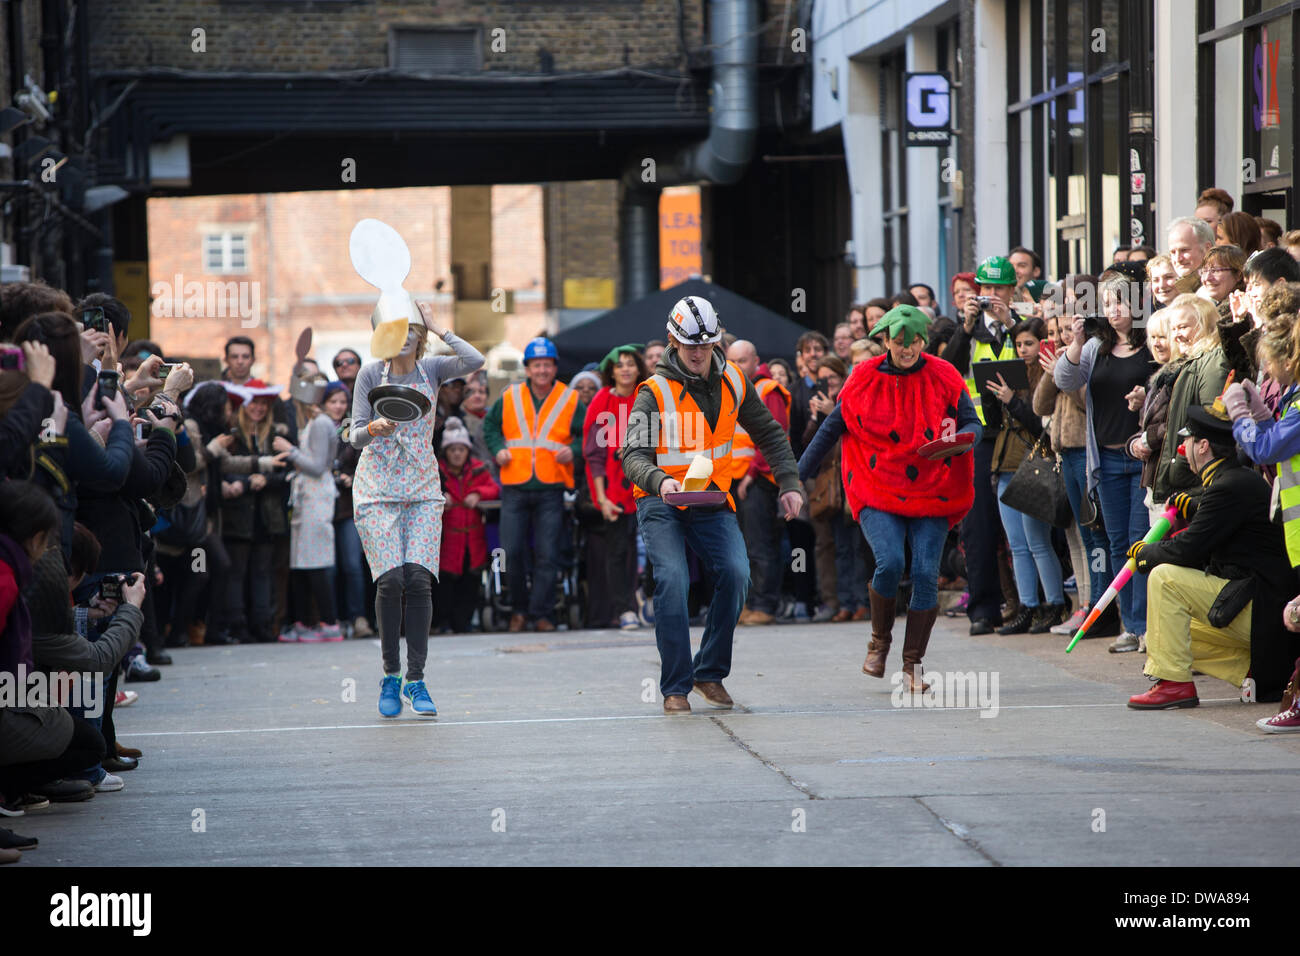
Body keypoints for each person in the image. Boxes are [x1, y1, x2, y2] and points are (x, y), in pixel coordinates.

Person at [623, 295, 804, 714]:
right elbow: (631, 455)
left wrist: (789, 482)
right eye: (691, 346)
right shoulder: (654, 392)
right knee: (673, 580)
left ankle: (709, 672)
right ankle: (675, 687)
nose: (700, 353)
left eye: (707, 344)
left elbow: (771, 435)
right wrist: (661, 480)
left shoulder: (736, 382)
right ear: (673, 340)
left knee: (738, 574)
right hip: (661, 501)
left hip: (710, 498)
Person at [800, 306, 981, 689]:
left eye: (915, 341)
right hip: (877, 485)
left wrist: (963, 441)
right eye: (900, 342)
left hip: (933, 487)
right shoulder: (863, 377)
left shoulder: (944, 374)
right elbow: (833, 427)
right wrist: (794, 477)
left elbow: (971, 422)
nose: (908, 349)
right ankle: (879, 642)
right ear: (885, 340)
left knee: (926, 573)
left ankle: (912, 664)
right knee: (891, 561)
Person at [350, 303, 484, 716]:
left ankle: (416, 679)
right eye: (397, 328)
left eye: (412, 328)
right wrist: (373, 428)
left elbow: (475, 360)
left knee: (420, 579)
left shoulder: (433, 369)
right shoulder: (371, 374)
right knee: (390, 581)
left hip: (423, 488)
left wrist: (440, 326)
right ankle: (390, 675)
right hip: (377, 488)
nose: (406, 335)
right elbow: (353, 435)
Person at [1126, 404, 1297, 709]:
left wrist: (1146, 554)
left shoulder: (1229, 486)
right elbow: (1219, 524)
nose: (1184, 448)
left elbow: (1189, 549)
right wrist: (1195, 508)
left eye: (1188, 441)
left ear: (1203, 446)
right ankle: (1249, 668)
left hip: (1264, 612)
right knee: (1164, 633)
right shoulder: (1231, 480)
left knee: (1163, 578)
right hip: (1255, 607)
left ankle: (1175, 685)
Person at [1056, 272, 1158, 653]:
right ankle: (1129, 624)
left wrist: (1144, 397)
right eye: (1109, 303)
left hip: (1143, 457)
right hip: (1108, 459)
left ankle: (1148, 624)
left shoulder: (1150, 344)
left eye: (1122, 302)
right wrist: (1076, 343)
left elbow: (1165, 389)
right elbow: (1065, 379)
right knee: (1117, 542)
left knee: (1139, 541)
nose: (1115, 310)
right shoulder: (1097, 348)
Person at [483, 337, 584, 633]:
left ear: (555, 368)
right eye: (536, 365)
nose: (542, 370)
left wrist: (573, 451)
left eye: (547, 365)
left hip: (551, 486)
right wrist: (497, 448)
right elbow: (490, 427)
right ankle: (518, 610)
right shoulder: (510, 396)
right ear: (527, 369)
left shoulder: (570, 398)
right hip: (514, 485)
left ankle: (542, 614)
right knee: (512, 551)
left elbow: (585, 436)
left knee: (547, 553)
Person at [945, 255, 1020, 634]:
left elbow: (1031, 351)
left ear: (1012, 290)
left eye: (998, 289)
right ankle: (983, 609)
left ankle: (1031, 605)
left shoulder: (1018, 325)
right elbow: (947, 368)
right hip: (978, 436)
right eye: (985, 289)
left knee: (1024, 525)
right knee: (977, 526)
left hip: (1018, 434)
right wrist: (967, 325)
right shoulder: (968, 328)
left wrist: (1010, 322)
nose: (991, 295)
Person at [1036, 312, 1116, 637]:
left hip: (1086, 452)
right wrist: (1054, 371)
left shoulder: (1091, 359)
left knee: (1098, 536)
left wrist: (1066, 374)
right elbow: (1039, 406)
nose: (1064, 337)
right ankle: (1090, 601)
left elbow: (1086, 402)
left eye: (1068, 330)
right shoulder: (1064, 359)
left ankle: (1102, 605)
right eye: (1058, 332)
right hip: (1064, 452)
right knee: (1085, 535)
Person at [986, 317, 1066, 633]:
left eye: (1029, 344)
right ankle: (1027, 607)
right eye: (1018, 345)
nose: (1023, 350)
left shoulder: (1045, 374)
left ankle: (1055, 605)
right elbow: (995, 423)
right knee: (1016, 544)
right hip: (1006, 463)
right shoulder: (1013, 374)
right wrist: (995, 398)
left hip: (1035, 464)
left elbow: (1038, 423)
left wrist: (1012, 401)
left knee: (1038, 542)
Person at [727, 339, 794, 626]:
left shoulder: (767, 389)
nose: (738, 367)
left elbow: (774, 438)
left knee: (760, 545)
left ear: (756, 361)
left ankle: (765, 605)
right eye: (733, 362)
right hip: (736, 478)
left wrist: (751, 475)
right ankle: (751, 603)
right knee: (743, 547)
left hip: (757, 480)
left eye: (742, 361)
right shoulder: (735, 390)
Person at [220, 380, 290, 643]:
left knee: (263, 572)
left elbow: (287, 473)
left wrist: (266, 480)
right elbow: (224, 468)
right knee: (236, 572)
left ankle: (264, 626)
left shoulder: (276, 435)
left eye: (263, 404)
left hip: (267, 516)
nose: (258, 408)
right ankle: (238, 627)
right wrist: (251, 481)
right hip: (238, 514)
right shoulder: (232, 435)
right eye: (253, 403)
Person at [582, 344, 646, 630]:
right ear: (611, 370)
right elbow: (593, 455)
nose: (625, 369)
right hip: (615, 492)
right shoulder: (601, 400)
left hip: (651, 488)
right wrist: (601, 499)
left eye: (630, 363)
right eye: (620, 364)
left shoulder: (648, 395)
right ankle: (625, 609)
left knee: (659, 549)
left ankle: (650, 599)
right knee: (619, 551)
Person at [278, 367, 341, 641]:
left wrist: (289, 450)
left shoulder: (321, 423)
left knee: (317, 561)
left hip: (316, 494)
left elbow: (317, 466)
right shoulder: (316, 423)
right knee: (304, 561)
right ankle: (307, 622)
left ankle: (328, 623)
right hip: (308, 494)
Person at [435, 417, 500, 633]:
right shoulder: (437, 472)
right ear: (446, 451)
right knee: (444, 584)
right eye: (452, 449)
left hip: (473, 540)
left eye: (461, 449)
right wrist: (440, 496)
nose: (456, 453)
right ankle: (442, 622)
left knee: (470, 582)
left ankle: (462, 623)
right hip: (447, 540)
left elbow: (494, 489)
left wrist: (478, 493)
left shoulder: (479, 470)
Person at [1167, 216, 1215, 295]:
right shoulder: (1167, 290)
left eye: (1184, 250)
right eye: (1173, 252)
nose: (1178, 259)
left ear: (1207, 248)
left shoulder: (1219, 287)